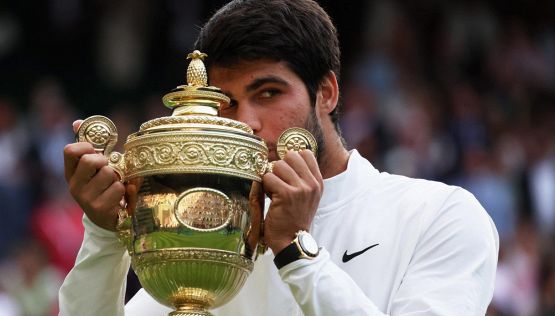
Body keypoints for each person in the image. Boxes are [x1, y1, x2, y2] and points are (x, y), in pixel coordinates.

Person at [59, 0, 499, 315]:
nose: (245, 122)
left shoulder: (440, 215)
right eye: (225, 103)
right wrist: (102, 236)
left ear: (326, 93)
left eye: (268, 93)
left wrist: (295, 252)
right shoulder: (214, 227)